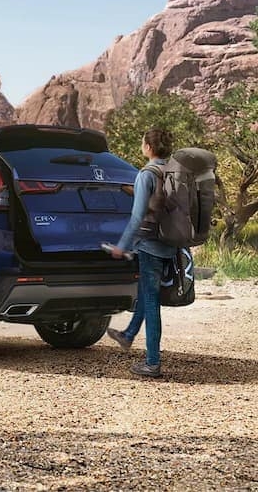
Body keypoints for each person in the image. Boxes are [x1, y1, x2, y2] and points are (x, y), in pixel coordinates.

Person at [105, 128, 177, 377]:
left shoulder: (146, 174)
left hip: (149, 245)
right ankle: (128, 335)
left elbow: (137, 217)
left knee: (151, 301)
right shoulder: (175, 171)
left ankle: (153, 363)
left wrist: (121, 246)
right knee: (148, 293)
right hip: (170, 243)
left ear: (148, 147)